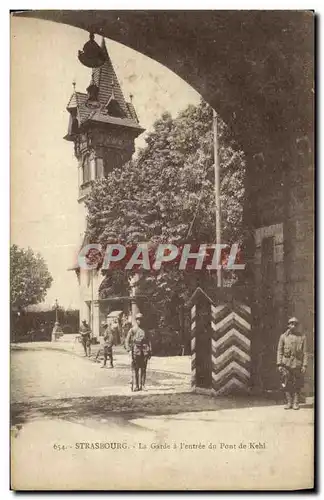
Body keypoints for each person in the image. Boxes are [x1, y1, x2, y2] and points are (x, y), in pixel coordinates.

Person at [277, 317, 307, 410]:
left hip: (297, 364)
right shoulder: (283, 337)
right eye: (291, 324)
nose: (293, 326)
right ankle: (289, 402)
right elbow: (280, 351)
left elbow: (305, 352)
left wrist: (304, 365)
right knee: (286, 384)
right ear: (288, 325)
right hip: (286, 364)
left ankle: (296, 403)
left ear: (297, 326)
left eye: (295, 324)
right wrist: (279, 364)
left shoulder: (302, 337)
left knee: (297, 384)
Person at [125, 313, 151, 391]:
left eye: (141, 319)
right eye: (138, 319)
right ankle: (136, 385)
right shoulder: (133, 329)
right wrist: (129, 350)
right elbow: (127, 340)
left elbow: (149, 340)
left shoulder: (145, 330)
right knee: (136, 369)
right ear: (136, 320)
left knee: (143, 369)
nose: (140, 321)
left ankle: (142, 385)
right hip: (136, 351)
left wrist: (150, 351)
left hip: (144, 350)